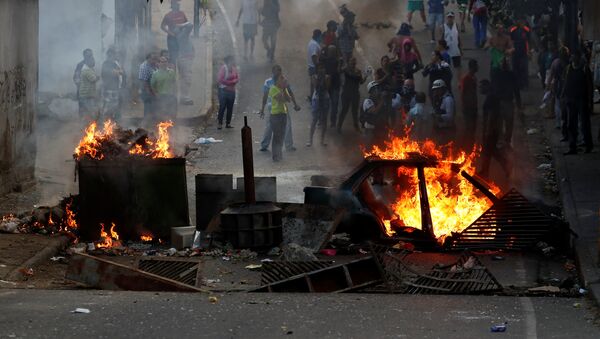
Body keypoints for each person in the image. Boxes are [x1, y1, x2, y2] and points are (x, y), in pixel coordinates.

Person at [259, 64, 300, 152]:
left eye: (280, 70)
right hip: (275, 107)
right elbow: (265, 96)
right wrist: (262, 109)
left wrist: (295, 104)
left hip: (280, 107)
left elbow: (290, 92)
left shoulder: (282, 81)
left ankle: (267, 145)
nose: (279, 72)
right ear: (273, 72)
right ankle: (266, 145)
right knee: (272, 126)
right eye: (278, 70)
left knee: (281, 125)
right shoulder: (269, 82)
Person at [561, 50, 594, 154]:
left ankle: (588, 146)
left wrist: (590, 101)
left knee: (584, 124)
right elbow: (566, 82)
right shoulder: (568, 68)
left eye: (575, 56)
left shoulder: (584, 68)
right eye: (572, 56)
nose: (573, 58)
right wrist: (563, 95)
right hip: (571, 99)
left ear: (579, 58)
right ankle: (572, 147)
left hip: (582, 99)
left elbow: (589, 86)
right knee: (572, 124)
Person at [479, 79, 512, 178]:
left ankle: (488, 171)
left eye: (481, 87)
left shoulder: (490, 98)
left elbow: (491, 116)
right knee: (490, 151)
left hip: (492, 130)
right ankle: (486, 170)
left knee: (489, 151)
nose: (480, 89)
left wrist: (488, 131)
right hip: (493, 129)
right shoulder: (492, 96)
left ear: (486, 86)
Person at [491, 57, 521, 147]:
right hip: (507, 102)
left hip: (501, 102)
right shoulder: (511, 74)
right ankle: (506, 140)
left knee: (501, 122)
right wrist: (519, 103)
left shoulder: (497, 74)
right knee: (508, 122)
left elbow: (493, 88)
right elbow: (516, 90)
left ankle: (502, 140)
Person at [547, 46, 570, 137]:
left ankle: (558, 123)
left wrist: (548, 86)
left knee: (557, 104)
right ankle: (564, 122)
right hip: (565, 85)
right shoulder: (569, 63)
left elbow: (551, 75)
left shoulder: (555, 62)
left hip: (558, 85)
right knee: (564, 105)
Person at [338, 57, 366, 132]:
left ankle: (356, 126)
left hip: (354, 93)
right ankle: (339, 126)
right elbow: (339, 71)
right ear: (349, 62)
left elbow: (361, 82)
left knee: (354, 111)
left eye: (354, 62)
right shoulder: (346, 69)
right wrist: (340, 63)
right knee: (344, 109)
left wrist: (366, 76)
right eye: (351, 62)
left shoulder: (358, 71)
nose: (353, 63)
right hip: (347, 93)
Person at [269, 74, 291, 161]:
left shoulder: (283, 89)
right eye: (281, 79)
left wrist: (285, 89)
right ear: (277, 81)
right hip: (275, 115)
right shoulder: (273, 89)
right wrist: (283, 88)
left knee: (282, 135)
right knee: (276, 135)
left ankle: (279, 154)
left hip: (283, 114)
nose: (283, 80)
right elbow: (281, 99)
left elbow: (288, 99)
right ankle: (275, 155)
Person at [308, 63, 330, 147]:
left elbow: (327, 88)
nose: (321, 70)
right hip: (317, 99)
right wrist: (320, 79)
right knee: (314, 119)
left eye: (323, 68)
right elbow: (316, 87)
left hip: (324, 99)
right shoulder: (314, 77)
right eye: (320, 68)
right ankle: (310, 140)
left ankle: (322, 140)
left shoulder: (327, 77)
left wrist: (323, 79)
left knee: (324, 120)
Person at [101, 48, 125, 120]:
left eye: (114, 54)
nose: (114, 56)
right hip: (109, 88)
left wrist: (118, 71)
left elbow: (122, 72)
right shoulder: (106, 63)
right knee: (108, 105)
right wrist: (117, 71)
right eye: (112, 54)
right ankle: (106, 121)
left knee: (117, 105)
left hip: (117, 88)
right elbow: (110, 72)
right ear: (108, 55)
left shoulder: (115, 63)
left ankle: (116, 121)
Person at [459, 59, 479, 149]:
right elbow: (462, 93)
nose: (478, 68)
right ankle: (465, 145)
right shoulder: (466, 78)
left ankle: (470, 144)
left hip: (473, 106)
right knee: (468, 127)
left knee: (473, 127)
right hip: (468, 107)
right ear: (473, 67)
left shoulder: (473, 77)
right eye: (476, 66)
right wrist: (464, 106)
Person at [217, 56, 239, 129]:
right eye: (232, 60)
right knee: (222, 107)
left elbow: (237, 78)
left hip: (232, 91)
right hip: (223, 91)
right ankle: (220, 123)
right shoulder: (224, 68)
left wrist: (234, 81)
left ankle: (228, 123)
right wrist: (230, 82)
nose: (233, 62)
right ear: (228, 61)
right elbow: (220, 79)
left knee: (230, 107)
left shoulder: (234, 69)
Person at [323, 45, 342, 128]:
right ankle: (328, 121)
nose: (331, 53)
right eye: (331, 51)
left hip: (333, 86)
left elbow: (339, 71)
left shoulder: (334, 61)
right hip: (329, 86)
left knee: (333, 105)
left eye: (333, 51)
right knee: (330, 105)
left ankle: (331, 121)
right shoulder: (326, 60)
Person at [176, 22, 195, 105]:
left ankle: (183, 97)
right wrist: (182, 24)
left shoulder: (183, 35)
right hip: (185, 60)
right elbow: (190, 25)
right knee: (186, 79)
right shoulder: (183, 35)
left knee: (184, 78)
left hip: (185, 59)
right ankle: (185, 97)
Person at [510, 18, 531, 89]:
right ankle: (517, 84)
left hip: (523, 52)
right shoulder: (513, 29)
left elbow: (528, 41)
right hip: (515, 51)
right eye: (519, 20)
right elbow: (511, 40)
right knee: (515, 68)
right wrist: (511, 49)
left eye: (522, 21)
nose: (520, 22)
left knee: (524, 68)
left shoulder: (526, 30)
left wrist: (528, 52)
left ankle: (525, 84)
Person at [79, 54, 99, 119]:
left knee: (89, 112)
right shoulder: (86, 70)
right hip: (86, 95)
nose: (94, 62)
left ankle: (88, 125)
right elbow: (94, 79)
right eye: (92, 60)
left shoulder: (89, 68)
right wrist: (98, 77)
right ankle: (88, 125)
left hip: (87, 94)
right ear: (88, 61)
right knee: (89, 112)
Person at [139, 52, 158, 119]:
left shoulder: (152, 65)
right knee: (148, 109)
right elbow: (144, 82)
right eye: (152, 59)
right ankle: (146, 124)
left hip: (152, 91)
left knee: (154, 108)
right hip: (147, 92)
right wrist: (149, 93)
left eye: (155, 59)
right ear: (148, 59)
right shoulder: (144, 67)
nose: (154, 61)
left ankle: (152, 123)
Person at [307, 29, 322, 102]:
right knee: (315, 84)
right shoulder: (314, 44)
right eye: (320, 36)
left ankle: (311, 96)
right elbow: (314, 56)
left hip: (312, 67)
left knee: (312, 83)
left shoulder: (312, 42)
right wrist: (318, 66)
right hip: (314, 67)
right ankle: (314, 99)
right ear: (318, 36)